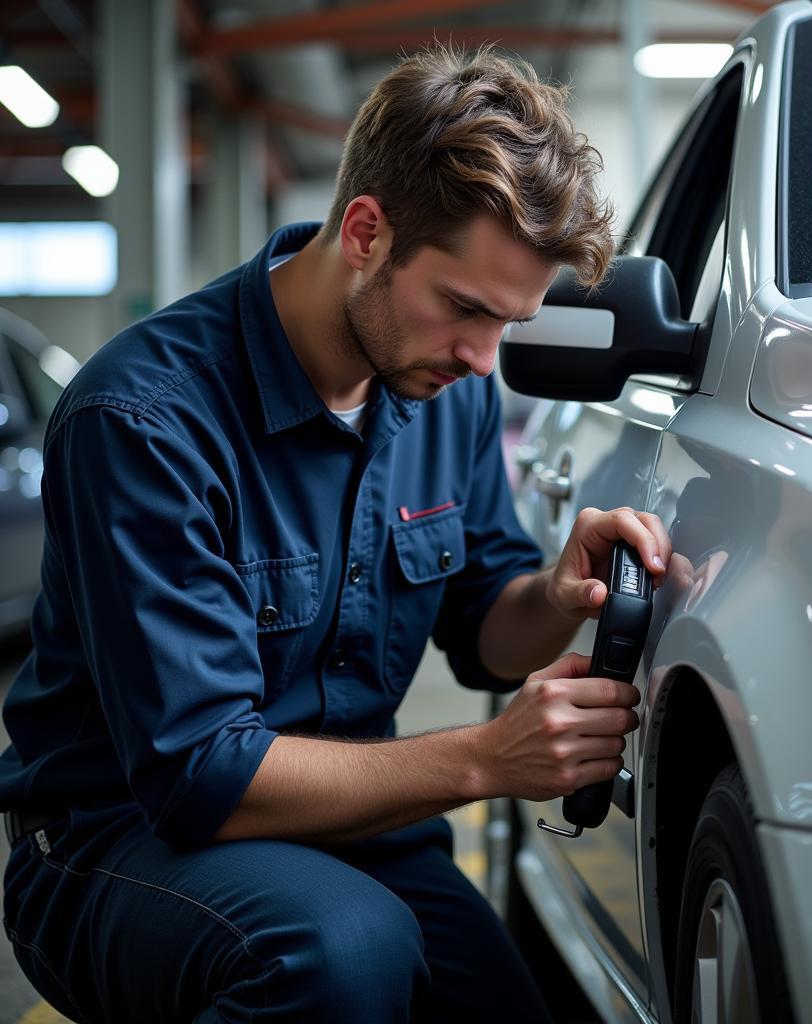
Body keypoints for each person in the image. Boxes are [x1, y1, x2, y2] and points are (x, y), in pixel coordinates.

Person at [0, 45, 672, 1023]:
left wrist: (559, 592)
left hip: (356, 831)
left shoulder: (448, 388)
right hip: (120, 844)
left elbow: (485, 621)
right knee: (337, 953)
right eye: (465, 310)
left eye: (508, 325)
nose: (484, 360)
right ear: (365, 232)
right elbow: (202, 777)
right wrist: (488, 757)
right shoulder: (143, 420)